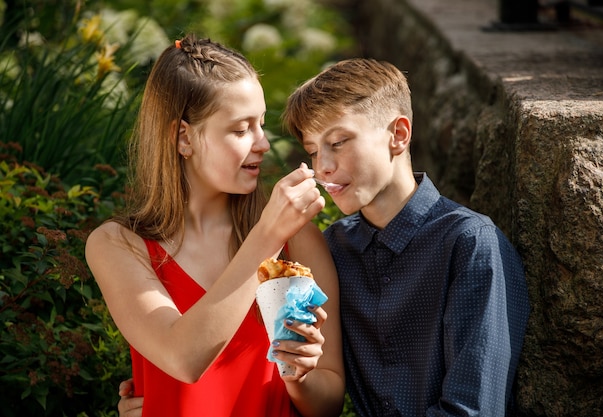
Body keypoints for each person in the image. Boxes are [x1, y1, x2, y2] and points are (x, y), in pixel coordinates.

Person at [119, 57, 531, 417]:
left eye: (338, 142)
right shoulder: (333, 248)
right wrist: (165, 398)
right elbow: (299, 385)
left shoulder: (470, 244)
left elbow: (473, 408)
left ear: (399, 135)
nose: (324, 167)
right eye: (314, 151)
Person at [86, 34, 344, 417]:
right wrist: (268, 235)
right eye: (241, 130)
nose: (263, 144)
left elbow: (329, 403)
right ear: (183, 137)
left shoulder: (297, 239)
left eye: (260, 123)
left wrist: (300, 377)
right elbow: (183, 358)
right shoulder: (119, 246)